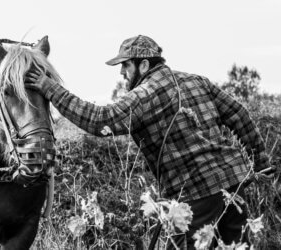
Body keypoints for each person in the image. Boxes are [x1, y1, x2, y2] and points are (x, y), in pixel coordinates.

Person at [25, 35, 271, 249]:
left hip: (196, 194)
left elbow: (99, 120)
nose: (121, 73)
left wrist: (50, 89)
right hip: (233, 186)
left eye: (125, 66)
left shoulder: (145, 94)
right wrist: (260, 161)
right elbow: (239, 114)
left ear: (143, 65)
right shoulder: (197, 81)